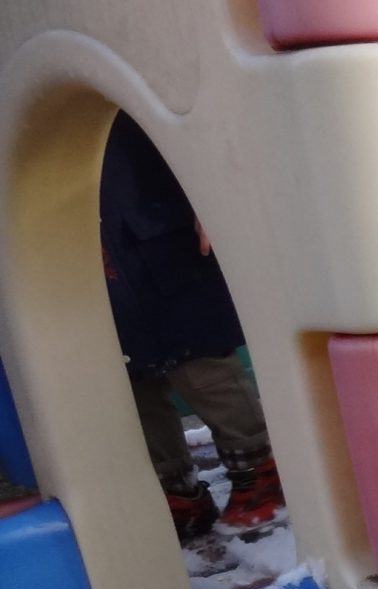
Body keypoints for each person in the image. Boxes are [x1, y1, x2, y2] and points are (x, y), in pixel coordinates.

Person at [98, 111, 285, 541]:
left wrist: (210, 193)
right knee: (126, 373)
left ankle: (259, 471)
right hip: (79, 236)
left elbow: (188, 114)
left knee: (199, 359)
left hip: (155, 215)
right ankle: (177, 491)